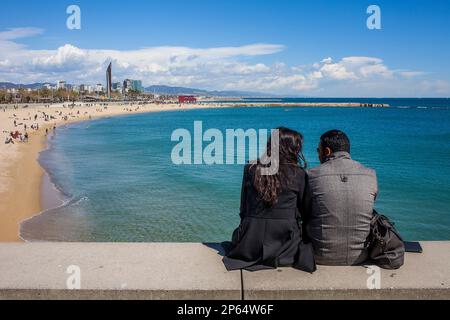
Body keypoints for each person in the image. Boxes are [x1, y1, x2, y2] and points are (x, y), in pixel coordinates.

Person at [223, 127, 310, 271]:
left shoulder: (250, 169)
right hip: (285, 247)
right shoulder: (299, 174)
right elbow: (305, 212)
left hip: (249, 244)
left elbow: (243, 210)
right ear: (292, 149)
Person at [303, 130, 378, 266]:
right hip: (360, 256)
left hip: (319, 255)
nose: (317, 153)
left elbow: (305, 211)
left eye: (317, 150)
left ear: (327, 151)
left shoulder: (311, 175)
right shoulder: (370, 174)